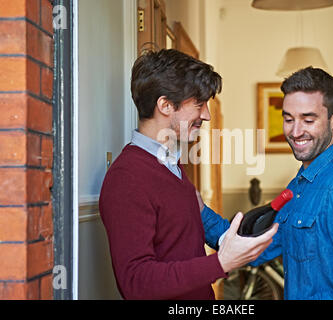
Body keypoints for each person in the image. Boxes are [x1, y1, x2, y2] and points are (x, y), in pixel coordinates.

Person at [99, 48, 278, 300]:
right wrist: (220, 264)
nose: (206, 115)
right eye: (198, 103)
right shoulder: (127, 178)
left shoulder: (171, 166)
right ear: (165, 105)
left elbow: (185, 232)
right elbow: (136, 282)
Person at [201, 67, 333, 299]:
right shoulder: (300, 185)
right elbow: (255, 247)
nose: (296, 131)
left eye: (308, 120)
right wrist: (197, 209)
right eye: (288, 119)